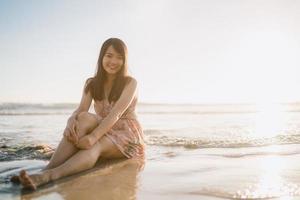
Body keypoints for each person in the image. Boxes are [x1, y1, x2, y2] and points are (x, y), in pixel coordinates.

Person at [15, 38, 145, 190]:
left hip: (126, 134)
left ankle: (49, 176)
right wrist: (71, 121)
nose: (113, 61)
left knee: (94, 146)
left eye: (119, 57)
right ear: (101, 56)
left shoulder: (130, 83)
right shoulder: (91, 83)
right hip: (105, 127)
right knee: (81, 118)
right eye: (109, 55)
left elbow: (115, 114)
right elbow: (81, 109)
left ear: (124, 61)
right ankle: (45, 170)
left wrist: (92, 137)